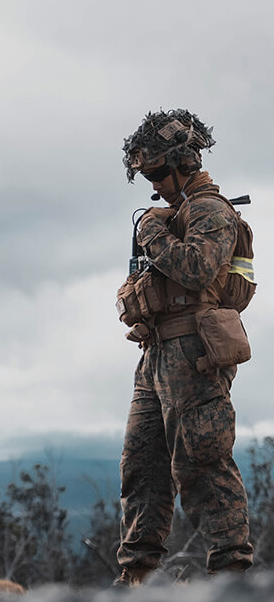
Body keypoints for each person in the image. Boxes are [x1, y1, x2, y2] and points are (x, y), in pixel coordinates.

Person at [114, 109, 256, 584]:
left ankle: (232, 573)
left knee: (203, 460)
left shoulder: (213, 212)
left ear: (184, 162)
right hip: (155, 354)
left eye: (157, 173)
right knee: (142, 465)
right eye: (148, 175)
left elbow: (195, 269)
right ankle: (137, 575)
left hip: (194, 354)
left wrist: (151, 232)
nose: (154, 185)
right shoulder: (172, 214)